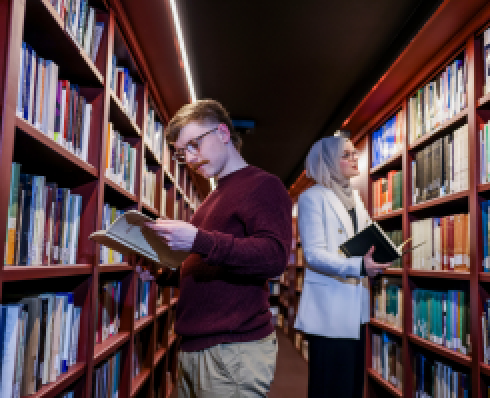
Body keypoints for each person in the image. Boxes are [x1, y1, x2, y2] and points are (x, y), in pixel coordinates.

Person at [141, 99, 292, 398]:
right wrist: (162, 273)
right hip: (193, 345)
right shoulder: (213, 198)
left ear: (222, 132)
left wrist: (198, 239)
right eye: (183, 153)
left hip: (231, 351)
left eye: (194, 144)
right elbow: (207, 263)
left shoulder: (263, 185)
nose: (191, 157)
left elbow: (274, 257)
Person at [294, 135, 391, 398]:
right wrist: (359, 266)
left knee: (351, 386)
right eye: (345, 154)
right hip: (329, 310)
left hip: (355, 308)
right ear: (327, 162)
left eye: (353, 153)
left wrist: (382, 252)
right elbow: (313, 254)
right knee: (329, 386)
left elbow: (366, 238)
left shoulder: (355, 199)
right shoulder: (311, 198)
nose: (354, 158)